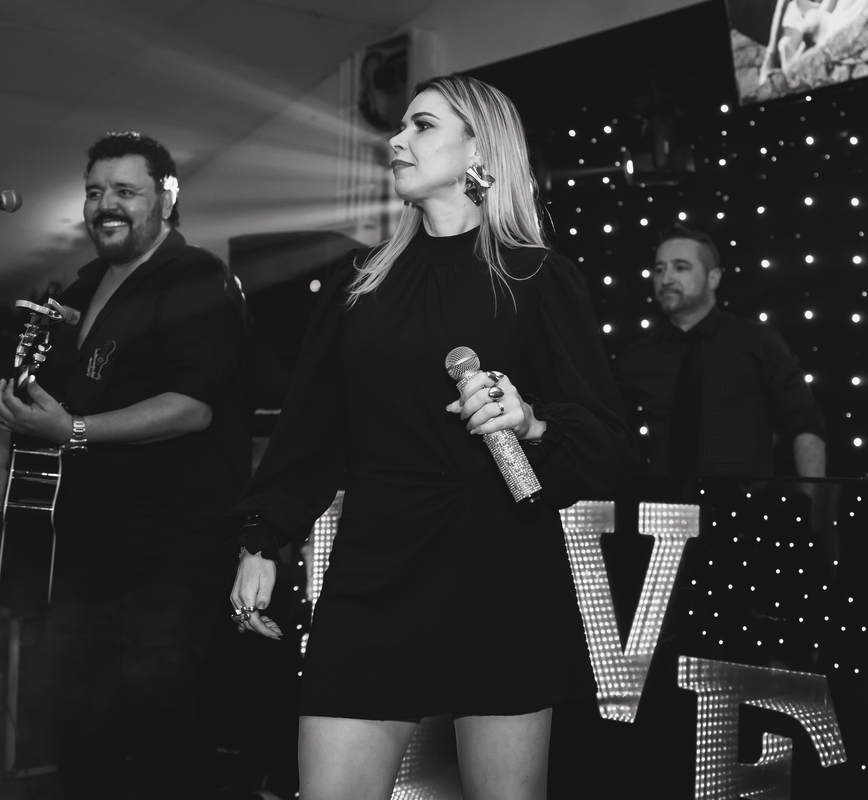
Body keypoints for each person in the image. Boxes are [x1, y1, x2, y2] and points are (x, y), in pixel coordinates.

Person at [228, 75, 637, 800]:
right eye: (400, 127)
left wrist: (530, 420)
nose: (396, 140)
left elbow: (608, 445)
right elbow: (311, 432)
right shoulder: (361, 283)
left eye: (421, 125)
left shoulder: (538, 277)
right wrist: (262, 537)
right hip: (378, 571)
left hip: (501, 571)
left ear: (480, 148)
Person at [0, 133, 250, 797]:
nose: (105, 205)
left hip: (172, 545)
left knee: (162, 716)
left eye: (125, 190)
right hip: (86, 540)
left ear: (167, 199)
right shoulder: (86, 283)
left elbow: (191, 408)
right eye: (95, 192)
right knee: (78, 709)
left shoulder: (196, 276)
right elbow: (29, 382)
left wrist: (73, 431)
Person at [614, 225, 826, 477]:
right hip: (665, 500)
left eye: (681, 267)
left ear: (713, 277)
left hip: (746, 499)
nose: (666, 279)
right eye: (659, 269)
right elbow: (608, 433)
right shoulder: (639, 356)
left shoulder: (757, 340)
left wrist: (811, 498)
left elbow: (804, 422)